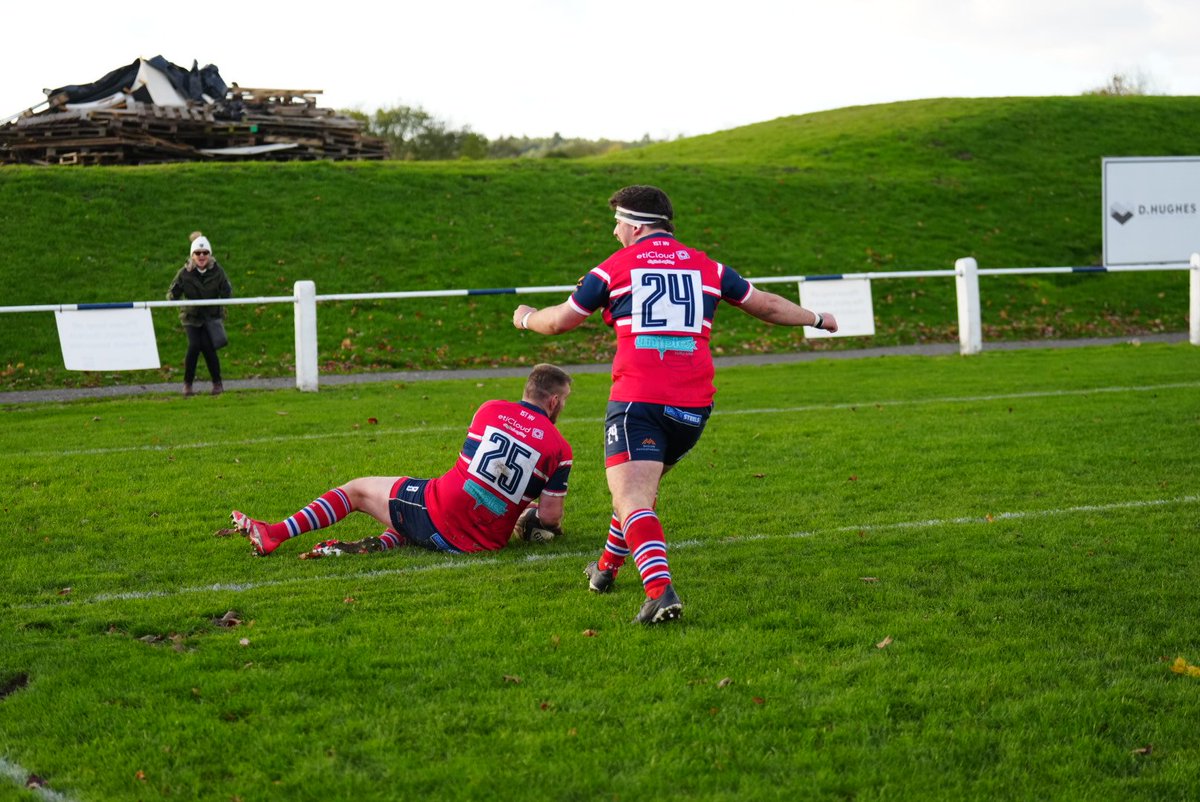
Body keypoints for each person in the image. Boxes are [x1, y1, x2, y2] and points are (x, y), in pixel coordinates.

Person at [512, 185, 839, 625]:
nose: (614, 231)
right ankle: (605, 569)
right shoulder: (708, 267)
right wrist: (817, 318)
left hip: (639, 400)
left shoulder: (612, 270)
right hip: (693, 408)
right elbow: (768, 306)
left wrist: (525, 317)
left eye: (617, 223)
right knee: (637, 494)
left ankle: (659, 591)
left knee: (631, 495)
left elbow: (557, 323)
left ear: (635, 224)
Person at [228, 363, 574, 559]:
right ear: (554, 400)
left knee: (357, 490)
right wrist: (532, 521)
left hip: (440, 513)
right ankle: (388, 539)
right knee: (415, 506)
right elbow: (550, 517)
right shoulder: (560, 448)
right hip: (485, 542)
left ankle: (274, 533)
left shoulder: (490, 409)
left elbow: (472, 474)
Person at [166, 233, 232, 397]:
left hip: (211, 317)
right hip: (191, 317)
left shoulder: (218, 271)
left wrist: (226, 292)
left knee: (209, 348)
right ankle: (187, 385)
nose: (201, 256)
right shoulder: (184, 273)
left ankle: (217, 384)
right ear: (192, 255)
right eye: (197, 253)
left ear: (210, 255)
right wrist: (173, 296)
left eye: (205, 253)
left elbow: (227, 292)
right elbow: (172, 294)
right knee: (194, 346)